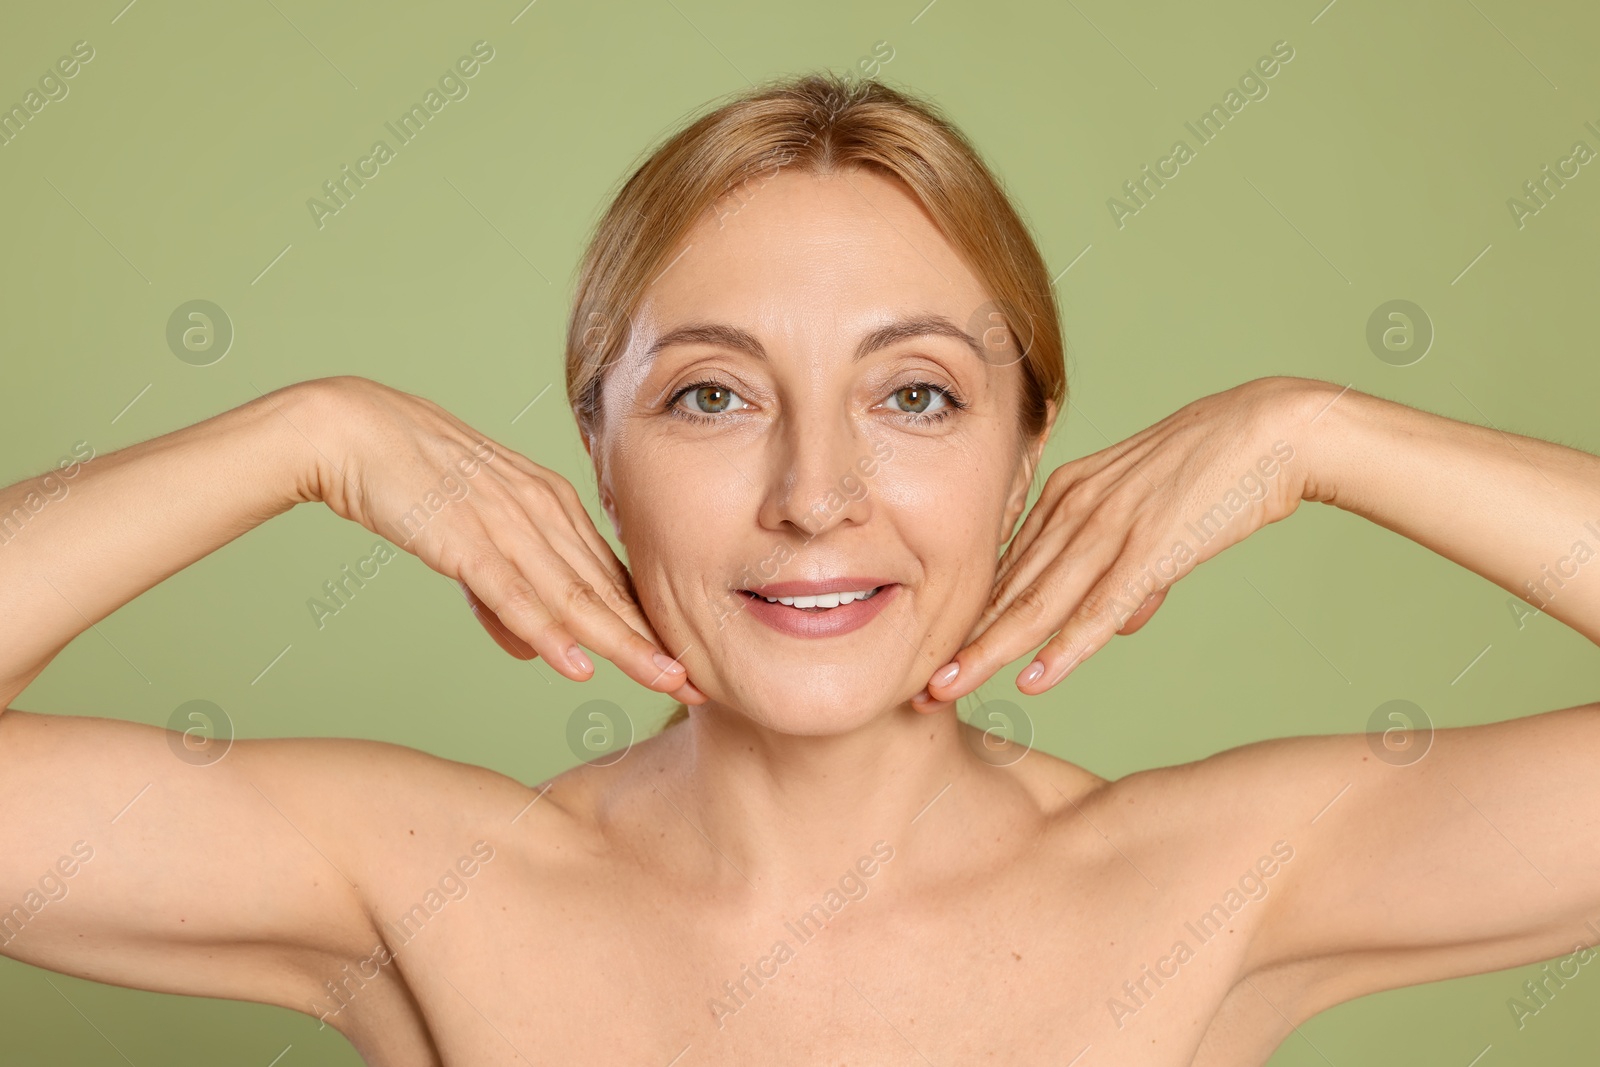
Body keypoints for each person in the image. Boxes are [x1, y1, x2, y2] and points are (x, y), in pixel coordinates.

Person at [1, 71, 1597, 1066]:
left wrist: (1320, 434)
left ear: (1027, 448)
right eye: (711, 395)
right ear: (596, 456)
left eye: (916, 396)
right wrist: (302, 436)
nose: (816, 496)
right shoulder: (422, 885)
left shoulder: (1222, 881)